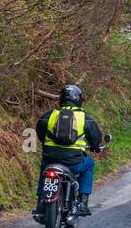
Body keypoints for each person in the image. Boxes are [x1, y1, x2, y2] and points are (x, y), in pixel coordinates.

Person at [34, 84, 105, 220]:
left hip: (50, 160)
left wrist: (46, 143)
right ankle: (83, 202)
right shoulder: (85, 118)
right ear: (78, 99)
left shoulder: (50, 115)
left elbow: (40, 131)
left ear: (61, 99)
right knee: (89, 163)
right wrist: (95, 147)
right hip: (73, 162)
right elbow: (96, 139)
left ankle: (40, 202)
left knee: (44, 170)